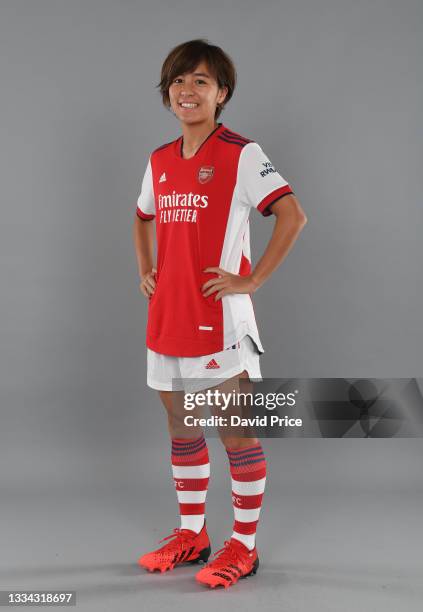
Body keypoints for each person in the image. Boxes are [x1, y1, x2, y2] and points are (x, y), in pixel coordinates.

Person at [133, 39, 307, 589]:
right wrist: (148, 268)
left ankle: (245, 547)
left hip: (223, 321)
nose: (188, 91)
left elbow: (292, 215)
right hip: (168, 315)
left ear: (221, 93)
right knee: (182, 425)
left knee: (235, 431)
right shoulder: (159, 159)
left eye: (201, 81)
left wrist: (252, 279)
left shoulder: (241, 153)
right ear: (167, 95)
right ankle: (194, 534)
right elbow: (141, 218)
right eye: (179, 82)